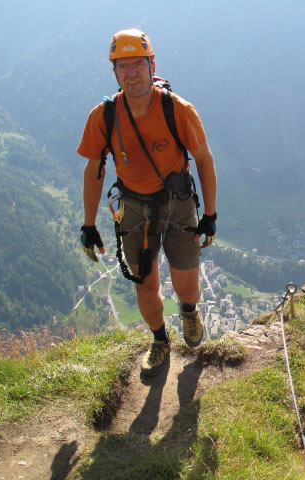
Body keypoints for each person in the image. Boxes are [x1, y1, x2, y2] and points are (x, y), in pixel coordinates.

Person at [77, 29, 217, 376]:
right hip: (134, 207)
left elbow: (204, 160)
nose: (131, 73)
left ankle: (188, 310)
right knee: (145, 284)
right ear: (114, 73)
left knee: (187, 284)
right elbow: (94, 167)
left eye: (138, 64)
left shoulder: (178, 110)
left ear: (152, 65)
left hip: (178, 203)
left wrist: (210, 215)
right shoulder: (104, 116)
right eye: (122, 67)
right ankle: (159, 340)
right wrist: (89, 224)